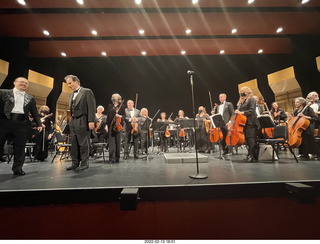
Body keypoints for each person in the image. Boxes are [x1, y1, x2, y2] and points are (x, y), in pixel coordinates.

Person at [0, 77, 42, 175]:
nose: (23, 84)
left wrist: (39, 123)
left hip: (22, 123)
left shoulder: (30, 98)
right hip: (4, 121)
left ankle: (17, 168)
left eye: (26, 83)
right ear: (14, 82)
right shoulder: (2, 92)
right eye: (21, 82)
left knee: (20, 147)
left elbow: (34, 112)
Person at [65, 75, 96, 171]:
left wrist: (91, 121)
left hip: (83, 120)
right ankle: (75, 163)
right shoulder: (71, 95)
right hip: (73, 121)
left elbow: (91, 107)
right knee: (74, 143)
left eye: (70, 83)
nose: (69, 85)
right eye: (67, 84)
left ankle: (84, 163)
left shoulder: (87, 91)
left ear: (76, 81)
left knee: (83, 143)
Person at [235, 86, 259, 162]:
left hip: (251, 122)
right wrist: (240, 105)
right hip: (244, 123)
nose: (242, 94)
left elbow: (251, 111)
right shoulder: (243, 101)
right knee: (247, 140)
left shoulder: (251, 99)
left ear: (247, 92)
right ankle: (250, 154)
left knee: (251, 139)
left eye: (244, 92)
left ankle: (252, 156)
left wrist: (241, 112)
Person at [105, 93, 125, 163]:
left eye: (113, 97)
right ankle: (111, 158)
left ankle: (117, 158)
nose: (112, 98)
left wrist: (120, 116)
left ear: (117, 98)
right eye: (112, 97)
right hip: (111, 125)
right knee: (111, 143)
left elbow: (124, 116)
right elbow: (108, 116)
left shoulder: (122, 106)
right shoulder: (110, 106)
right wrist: (106, 125)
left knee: (118, 142)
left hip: (119, 126)